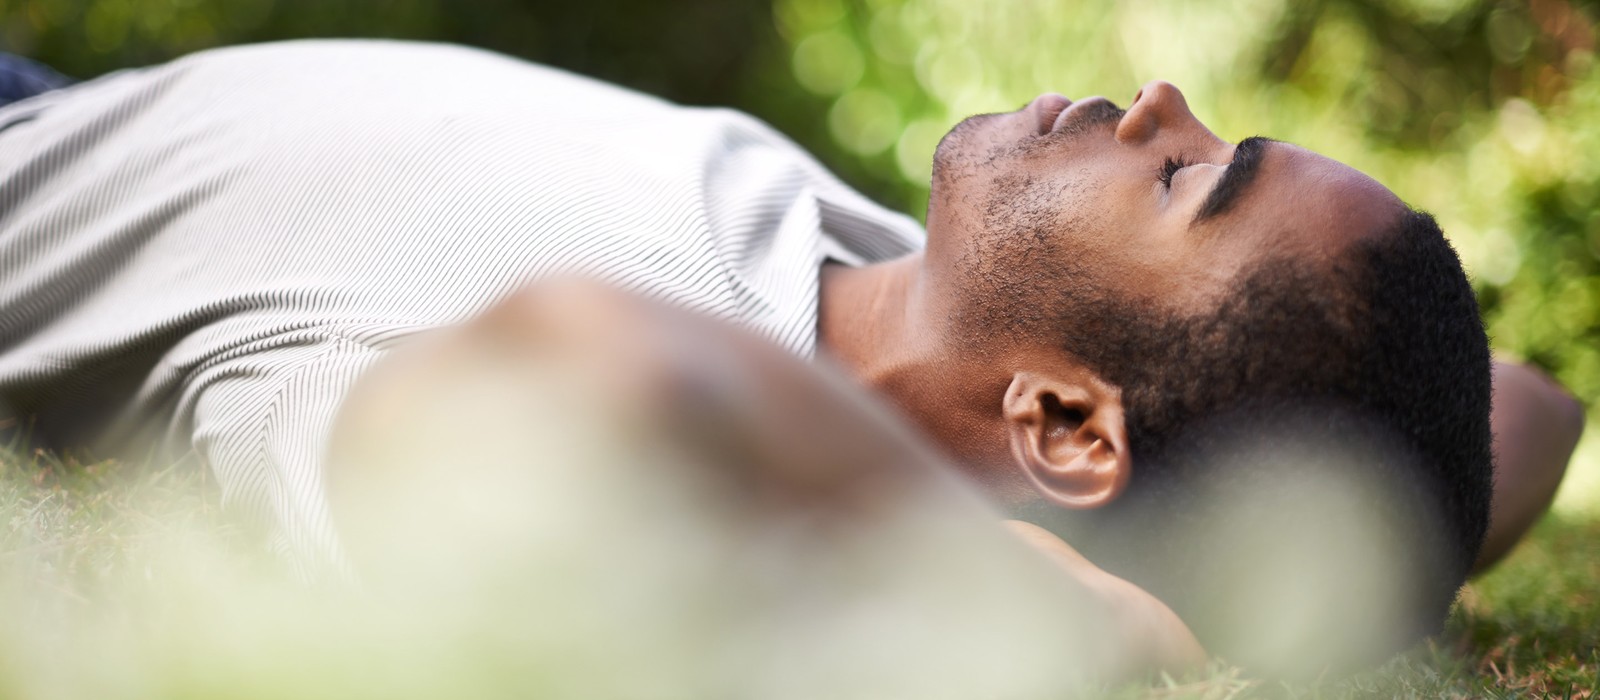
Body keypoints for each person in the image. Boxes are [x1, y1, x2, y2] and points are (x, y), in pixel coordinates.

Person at [0, 40, 1581, 679]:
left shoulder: (594, 446)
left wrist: (1042, 601)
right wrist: (1257, 587)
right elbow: (1533, 413)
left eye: (1184, 183)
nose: (1159, 102)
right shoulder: (921, 304)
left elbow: (592, 361)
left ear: (1064, 427)